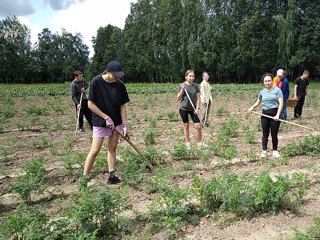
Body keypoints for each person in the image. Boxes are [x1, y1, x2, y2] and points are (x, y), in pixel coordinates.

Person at [82, 61, 129, 185]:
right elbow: (90, 104)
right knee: (95, 149)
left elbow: (122, 106)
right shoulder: (96, 82)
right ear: (108, 72)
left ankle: (112, 176)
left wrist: (124, 125)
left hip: (117, 122)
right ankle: (85, 178)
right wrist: (105, 117)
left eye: (118, 76)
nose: (117, 78)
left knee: (112, 147)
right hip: (100, 121)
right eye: (115, 75)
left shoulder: (120, 85)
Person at [247, 73, 283, 158]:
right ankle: (264, 151)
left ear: (272, 81)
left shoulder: (277, 90)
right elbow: (258, 102)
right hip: (264, 114)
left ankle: (275, 151)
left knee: (274, 134)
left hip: (275, 114)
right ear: (263, 82)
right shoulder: (262, 92)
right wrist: (252, 107)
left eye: (269, 80)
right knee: (265, 134)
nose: (267, 82)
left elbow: (281, 103)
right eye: (265, 81)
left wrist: (278, 115)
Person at [176, 69, 207, 149]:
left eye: (193, 76)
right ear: (186, 77)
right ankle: (187, 143)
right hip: (183, 108)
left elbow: (198, 98)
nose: (192, 77)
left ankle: (199, 143)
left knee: (198, 126)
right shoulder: (182, 85)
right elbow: (178, 98)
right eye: (190, 76)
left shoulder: (195, 86)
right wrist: (182, 90)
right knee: (186, 126)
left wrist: (197, 108)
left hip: (193, 109)